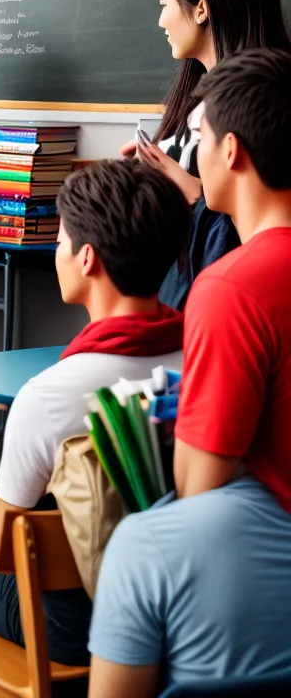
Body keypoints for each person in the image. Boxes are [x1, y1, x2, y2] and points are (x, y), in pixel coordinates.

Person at [89, 49, 291, 697]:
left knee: (138, 545)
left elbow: (200, 483)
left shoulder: (232, 285)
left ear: (231, 152)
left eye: (198, 138)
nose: (192, 154)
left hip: (263, 541)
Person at [0, 160, 188, 666]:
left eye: (59, 241)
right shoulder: (206, 360)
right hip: (189, 610)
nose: (57, 252)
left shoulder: (49, 395)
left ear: (87, 259)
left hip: (80, 628)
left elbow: (1, 554)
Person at [121, 0, 291, 309]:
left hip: (223, 302)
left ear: (201, 9)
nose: (161, 19)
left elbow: (265, 227)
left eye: (165, 2)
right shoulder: (194, 98)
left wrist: (191, 190)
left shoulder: (264, 104)